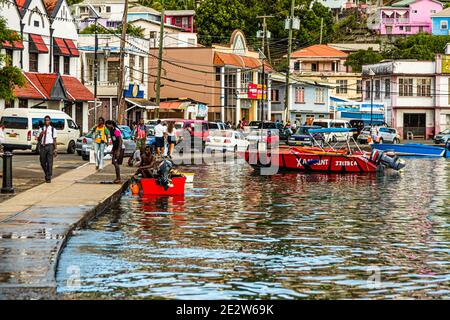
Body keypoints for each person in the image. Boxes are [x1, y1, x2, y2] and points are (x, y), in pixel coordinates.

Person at [37, 115, 57, 183]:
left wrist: (55, 149)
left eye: (48, 120)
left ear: (50, 121)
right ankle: (47, 173)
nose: (46, 121)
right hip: (43, 146)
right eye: (45, 120)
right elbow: (38, 139)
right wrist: (41, 134)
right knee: (42, 162)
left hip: (50, 146)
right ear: (44, 121)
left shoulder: (53, 129)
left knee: (49, 162)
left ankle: (49, 177)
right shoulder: (41, 129)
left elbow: (54, 140)